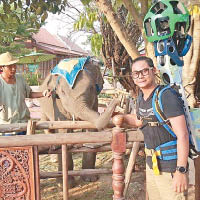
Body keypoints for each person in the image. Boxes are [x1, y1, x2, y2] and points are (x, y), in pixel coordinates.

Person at [117, 56, 189, 200]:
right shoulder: (141, 99)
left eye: (144, 71)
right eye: (136, 73)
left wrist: (181, 171)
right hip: (153, 166)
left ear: (153, 70)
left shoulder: (166, 96)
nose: (140, 76)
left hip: (171, 167)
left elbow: (183, 135)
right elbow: (139, 121)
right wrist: (120, 117)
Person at [0, 52, 51, 136]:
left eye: (14, 65)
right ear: (2, 67)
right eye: (10, 66)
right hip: (7, 125)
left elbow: (29, 94)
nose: (13, 68)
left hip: (24, 122)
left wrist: (43, 93)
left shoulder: (20, 78)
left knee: (26, 146)